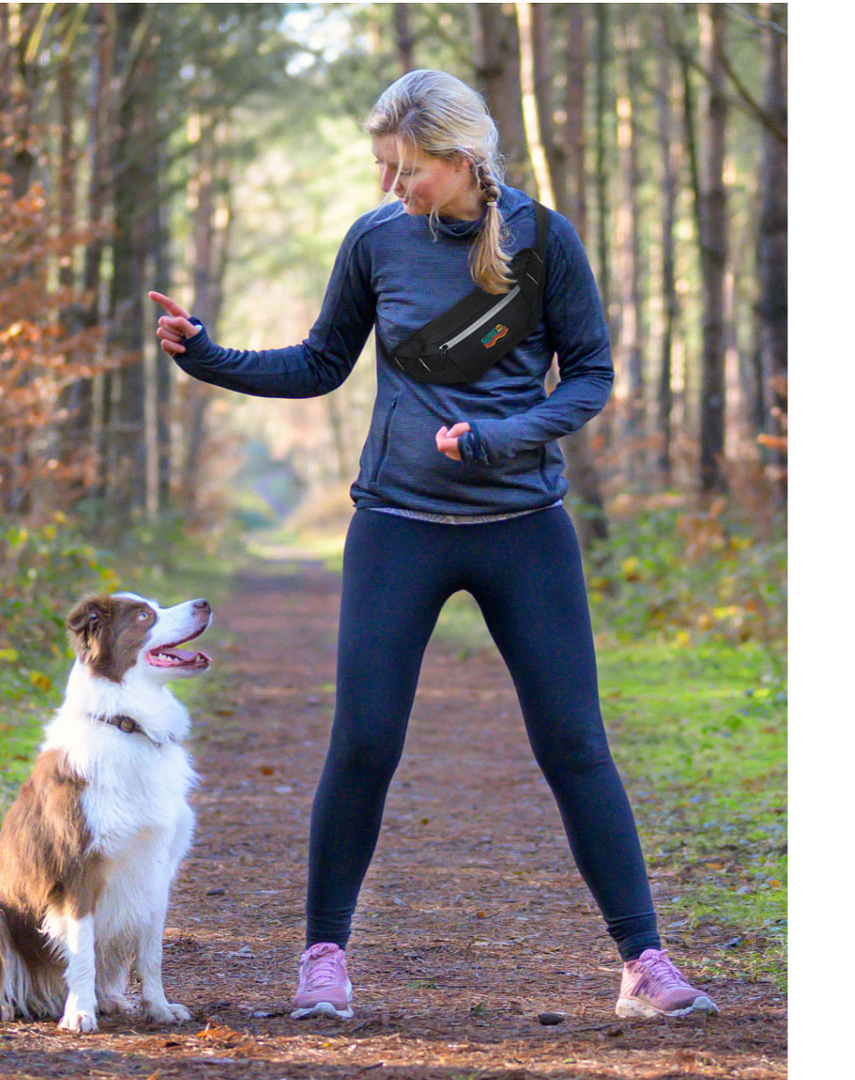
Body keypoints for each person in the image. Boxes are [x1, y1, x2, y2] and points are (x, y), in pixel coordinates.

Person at [150, 69, 717, 1022]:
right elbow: (321, 363)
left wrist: (510, 436)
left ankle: (645, 964)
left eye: (405, 169)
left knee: (576, 745)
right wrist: (206, 354)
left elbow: (592, 374)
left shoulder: (545, 241)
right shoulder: (378, 242)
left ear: (458, 162)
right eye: (383, 167)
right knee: (364, 742)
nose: (390, 187)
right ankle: (323, 959)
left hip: (523, 528)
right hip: (399, 526)